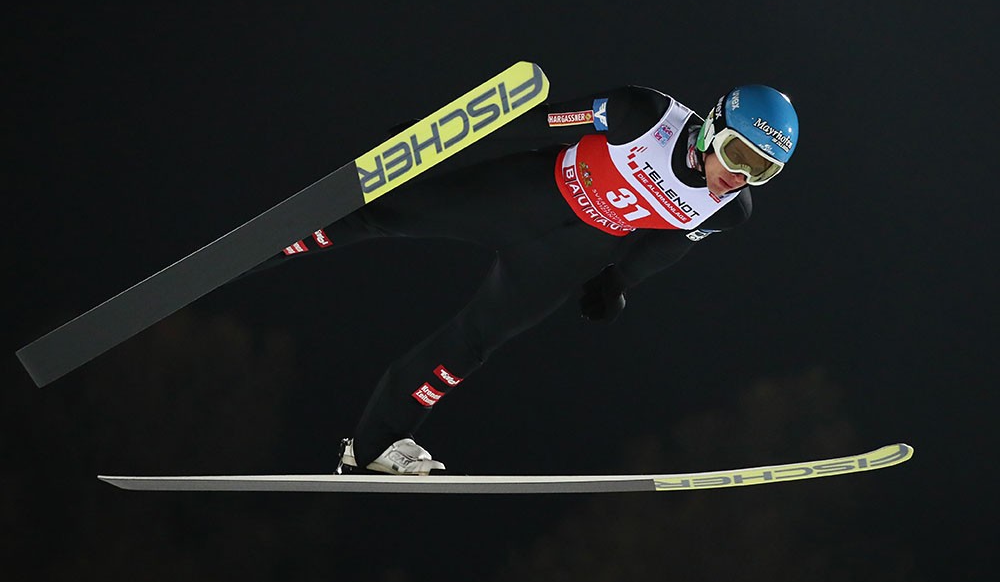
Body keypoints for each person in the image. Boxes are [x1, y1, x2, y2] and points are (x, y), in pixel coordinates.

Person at [244, 82, 800, 474]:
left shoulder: (730, 209)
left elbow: (669, 243)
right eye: (737, 154)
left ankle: (375, 446)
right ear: (712, 128)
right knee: (382, 214)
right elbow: (536, 121)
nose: (738, 176)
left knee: (473, 343)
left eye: (761, 170)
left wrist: (617, 282)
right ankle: (256, 253)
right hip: (527, 194)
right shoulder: (642, 114)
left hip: (569, 255)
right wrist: (432, 138)